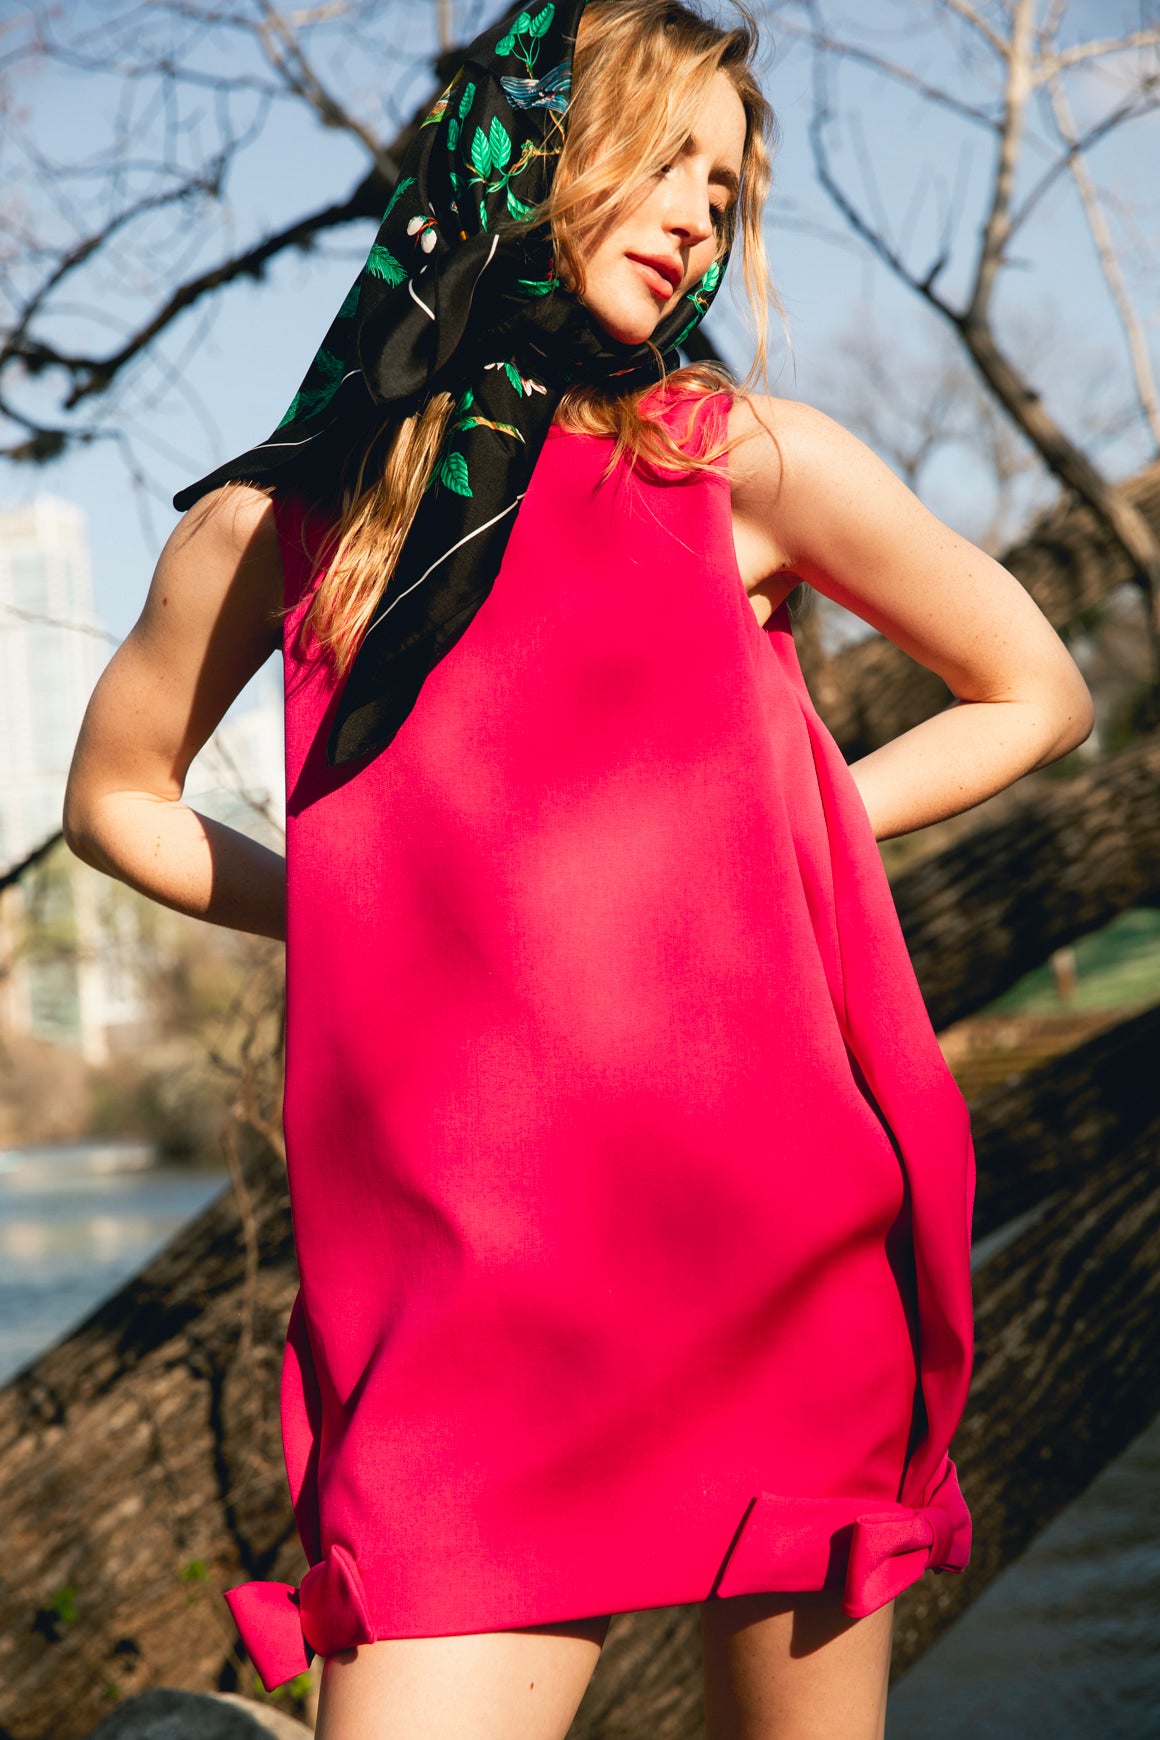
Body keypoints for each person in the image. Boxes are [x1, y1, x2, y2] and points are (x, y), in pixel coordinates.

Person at [63, 0, 1093, 1735]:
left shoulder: (741, 461)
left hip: (776, 1265)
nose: (700, 211)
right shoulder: (282, 524)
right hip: (458, 1330)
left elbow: (1034, 688)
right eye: (662, 154)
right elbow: (120, 801)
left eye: (726, 181)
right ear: (527, 150)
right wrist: (347, 898)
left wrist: (791, 816)